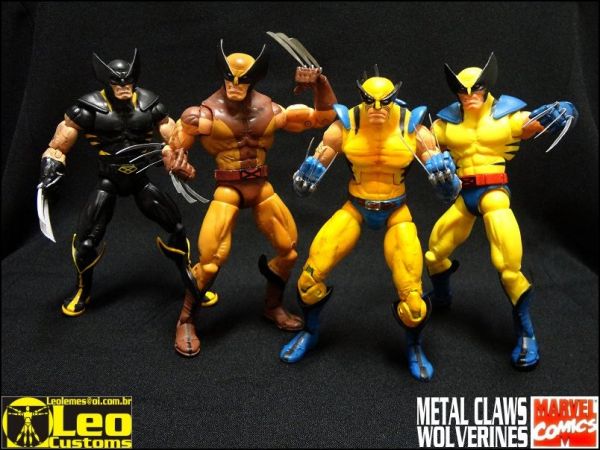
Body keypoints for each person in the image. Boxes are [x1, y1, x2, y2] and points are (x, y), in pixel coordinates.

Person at [278, 72, 461, 381]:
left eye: (384, 101)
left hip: (396, 211)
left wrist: (446, 180)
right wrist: (304, 179)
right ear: (361, 97)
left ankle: (414, 347)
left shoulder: (414, 128)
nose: (376, 108)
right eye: (369, 100)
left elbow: (449, 192)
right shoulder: (345, 125)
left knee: (414, 302)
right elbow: (305, 183)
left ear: (394, 99)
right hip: (356, 207)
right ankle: (310, 332)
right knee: (308, 282)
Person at [163, 40, 338, 357]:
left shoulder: (271, 111)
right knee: (210, 261)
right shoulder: (201, 116)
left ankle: (272, 306)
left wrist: (320, 83)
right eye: (230, 78)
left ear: (255, 79)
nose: (234, 85)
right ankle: (185, 320)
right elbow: (173, 148)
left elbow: (324, 117)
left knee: (288, 250)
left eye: (242, 79)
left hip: (260, 187)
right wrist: (177, 164)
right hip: (228, 190)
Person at [425, 53, 578, 370]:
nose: (470, 96)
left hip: (494, 193)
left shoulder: (508, 117)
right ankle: (441, 297)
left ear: (486, 87)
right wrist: (421, 145)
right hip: (463, 194)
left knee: (508, 266)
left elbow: (537, 123)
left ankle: (526, 333)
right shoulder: (445, 124)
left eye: (476, 89)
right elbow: (422, 140)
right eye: (463, 90)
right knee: (434, 253)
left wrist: (563, 111)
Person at [38, 49, 206, 317]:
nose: (124, 87)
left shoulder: (150, 104)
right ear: (107, 82)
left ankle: (190, 280)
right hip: (109, 179)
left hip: (139, 178)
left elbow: (175, 139)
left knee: (176, 226)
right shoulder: (87, 108)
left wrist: (175, 156)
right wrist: (51, 167)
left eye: (128, 82)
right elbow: (58, 145)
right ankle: (82, 289)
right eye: (118, 82)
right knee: (85, 241)